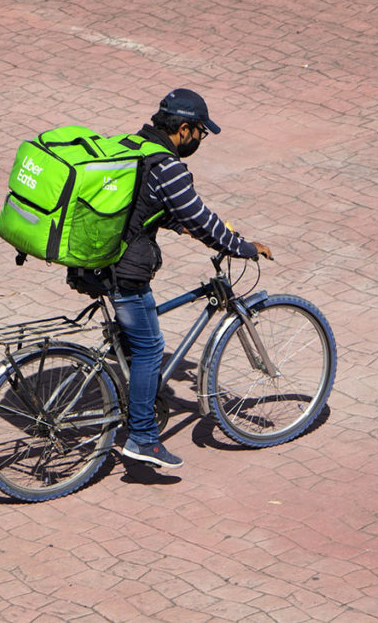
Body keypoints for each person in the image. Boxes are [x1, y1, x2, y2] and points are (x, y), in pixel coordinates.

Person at [106, 88, 272, 469]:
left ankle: (129, 401)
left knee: (134, 345)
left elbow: (136, 203)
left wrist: (174, 224)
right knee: (150, 349)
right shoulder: (168, 166)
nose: (201, 140)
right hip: (125, 270)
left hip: (99, 261)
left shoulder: (135, 145)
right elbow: (202, 218)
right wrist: (241, 247)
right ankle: (143, 439)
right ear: (184, 129)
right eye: (200, 132)